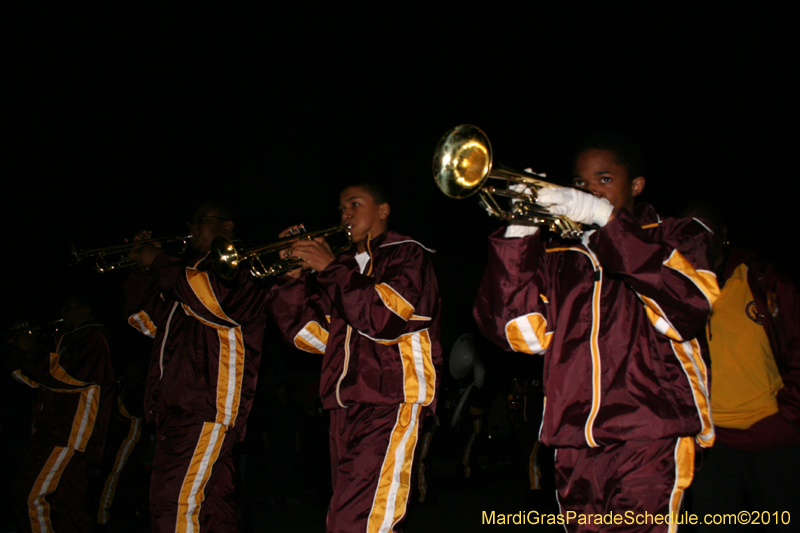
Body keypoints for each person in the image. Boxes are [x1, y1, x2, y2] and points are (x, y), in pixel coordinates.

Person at [474, 132, 719, 532]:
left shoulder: (676, 234)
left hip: (650, 430)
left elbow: (686, 309)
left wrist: (606, 221)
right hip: (573, 435)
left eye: (604, 179)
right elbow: (519, 333)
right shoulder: (558, 255)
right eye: (580, 182)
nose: (588, 190)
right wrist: (519, 233)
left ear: (636, 185)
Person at [267, 183, 442, 533]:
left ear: (383, 210)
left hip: (392, 396)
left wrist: (330, 267)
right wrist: (292, 278)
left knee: (359, 519)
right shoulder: (343, 267)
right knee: (347, 515)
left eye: (355, 204)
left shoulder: (406, 253)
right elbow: (309, 335)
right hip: (344, 403)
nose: (344, 213)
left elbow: (385, 318)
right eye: (341, 208)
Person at [124, 203, 268, 532]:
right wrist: (142, 271)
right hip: (177, 404)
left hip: (204, 404)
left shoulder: (241, 264)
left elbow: (218, 303)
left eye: (201, 220)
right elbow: (145, 322)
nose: (191, 226)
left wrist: (159, 261)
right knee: (215, 507)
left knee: (172, 504)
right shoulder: (185, 275)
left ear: (227, 226)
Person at [685, 205, 800, 530]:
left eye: (704, 228)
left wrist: (790, 416)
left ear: (723, 235)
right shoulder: (675, 290)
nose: (696, 237)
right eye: (687, 229)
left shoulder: (763, 280)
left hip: (772, 437)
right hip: (711, 444)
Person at [9, 295, 115, 533]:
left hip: (67, 432)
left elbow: (64, 375)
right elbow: (38, 379)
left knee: (29, 495)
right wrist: (18, 352)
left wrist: (30, 350)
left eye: (69, 307)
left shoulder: (92, 336)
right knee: (68, 502)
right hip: (56, 430)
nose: (62, 313)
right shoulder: (67, 338)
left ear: (86, 309)